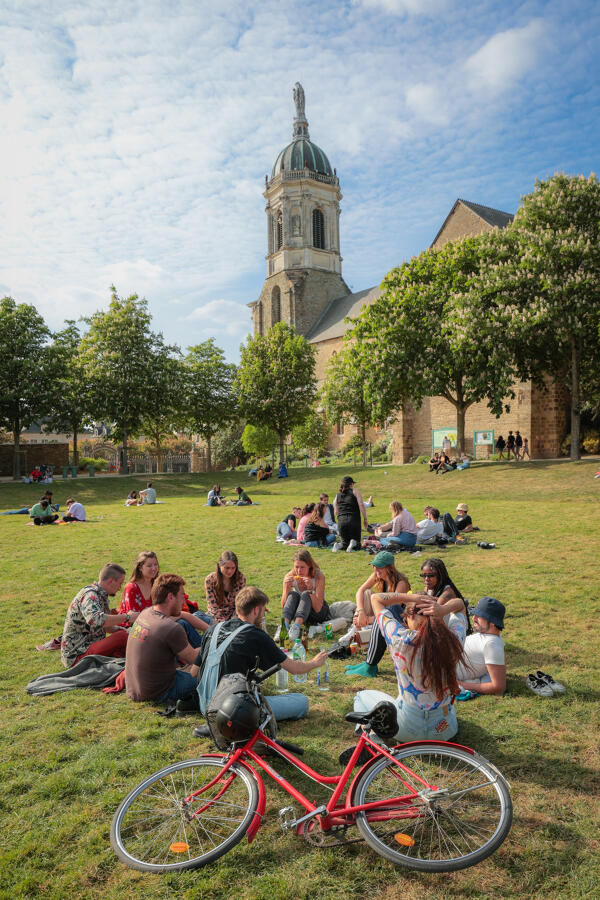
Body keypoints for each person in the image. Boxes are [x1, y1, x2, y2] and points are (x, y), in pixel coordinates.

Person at [178, 586, 328, 726]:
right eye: (263, 611)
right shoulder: (255, 635)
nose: (263, 616)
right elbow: (294, 668)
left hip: (205, 705)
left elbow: (194, 672)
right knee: (301, 701)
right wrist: (314, 663)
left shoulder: (213, 630)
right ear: (256, 610)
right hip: (234, 711)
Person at [352, 594, 468, 742]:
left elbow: (376, 598)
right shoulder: (453, 639)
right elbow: (460, 604)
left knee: (361, 697)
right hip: (445, 731)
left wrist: (414, 598)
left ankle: (372, 739)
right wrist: (443, 609)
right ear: (437, 615)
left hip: (405, 729)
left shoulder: (400, 639)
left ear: (411, 616)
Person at [125, 573, 199, 703]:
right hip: (159, 692)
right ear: (170, 597)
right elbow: (195, 659)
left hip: (134, 689)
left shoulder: (145, 614)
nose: (184, 600)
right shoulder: (170, 628)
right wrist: (211, 645)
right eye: (182, 595)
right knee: (210, 678)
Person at [346, 551, 410, 678]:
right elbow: (361, 590)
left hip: (401, 622)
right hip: (386, 618)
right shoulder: (378, 575)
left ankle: (370, 666)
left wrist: (369, 619)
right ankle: (367, 662)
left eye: (380, 566)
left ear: (390, 568)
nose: (376, 569)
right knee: (367, 596)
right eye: (374, 566)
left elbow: (392, 610)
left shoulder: (401, 584)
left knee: (383, 614)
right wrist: (361, 612)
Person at [60, 563, 136, 667]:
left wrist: (118, 629)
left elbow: (105, 626)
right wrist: (127, 617)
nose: (120, 588)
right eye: (120, 583)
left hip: (87, 649)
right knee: (122, 637)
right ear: (110, 581)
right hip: (77, 656)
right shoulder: (90, 595)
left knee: (124, 637)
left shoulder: (100, 595)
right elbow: (96, 620)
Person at [457, 597, 506, 696]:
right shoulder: (491, 637)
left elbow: (499, 687)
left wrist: (460, 684)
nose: (473, 618)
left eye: (479, 616)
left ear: (492, 622)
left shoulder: (491, 644)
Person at [281, 548, 328, 640]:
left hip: (318, 613)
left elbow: (318, 608)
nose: (299, 571)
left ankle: (296, 627)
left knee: (306, 594)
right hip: (301, 612)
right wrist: (286, 589)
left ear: (309, 566)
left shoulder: (318, 576)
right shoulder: (289, 576)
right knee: (292, 594)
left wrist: (311, 590)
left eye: (302, 567)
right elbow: (284, 606)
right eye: (296, 567)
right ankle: (284, 627)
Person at [205, 550, 246, 622]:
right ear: (219, 566)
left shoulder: (240, 579)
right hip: (216, 615)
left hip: (234, 615)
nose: (230, 571)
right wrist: (222, 621)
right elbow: (212, 605)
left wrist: (233, 620)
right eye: (227, 568)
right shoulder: (210, 580)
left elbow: (240, 604)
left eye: (233, 568)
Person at [332, 476, 368, 552]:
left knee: (344, 543)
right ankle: (353, 542)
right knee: (357, 544)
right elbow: (361, 504)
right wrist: (365, 518)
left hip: (341, 521)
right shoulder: (355, 491)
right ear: (351, 484)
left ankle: (339, 545)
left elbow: (336, 511)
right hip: (353, 519)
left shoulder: (337, 495)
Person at [118, 551, 160, 615]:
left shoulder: (158, 585)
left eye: (155, 564)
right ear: (140, 568)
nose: (154, 568)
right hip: (134, 623)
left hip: (154, 621)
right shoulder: (132, 588)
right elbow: (132, 616)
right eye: (149, 566)